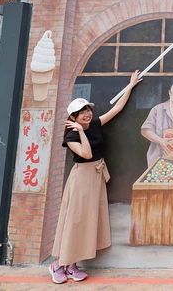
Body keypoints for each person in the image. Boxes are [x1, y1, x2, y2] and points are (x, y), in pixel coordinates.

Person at [49, 70, 142, 284]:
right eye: (82, 113)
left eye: (88, 110)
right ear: (73, 118)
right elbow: (87, 154)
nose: (87, 114)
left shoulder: (95, 124)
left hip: (96, 176)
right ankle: (58, 264)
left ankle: (73, 265)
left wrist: (130, 85)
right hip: (82, 179)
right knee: (75, 220)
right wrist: (81, 132)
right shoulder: (71, 136)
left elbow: (117, 108)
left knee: (88, 221)